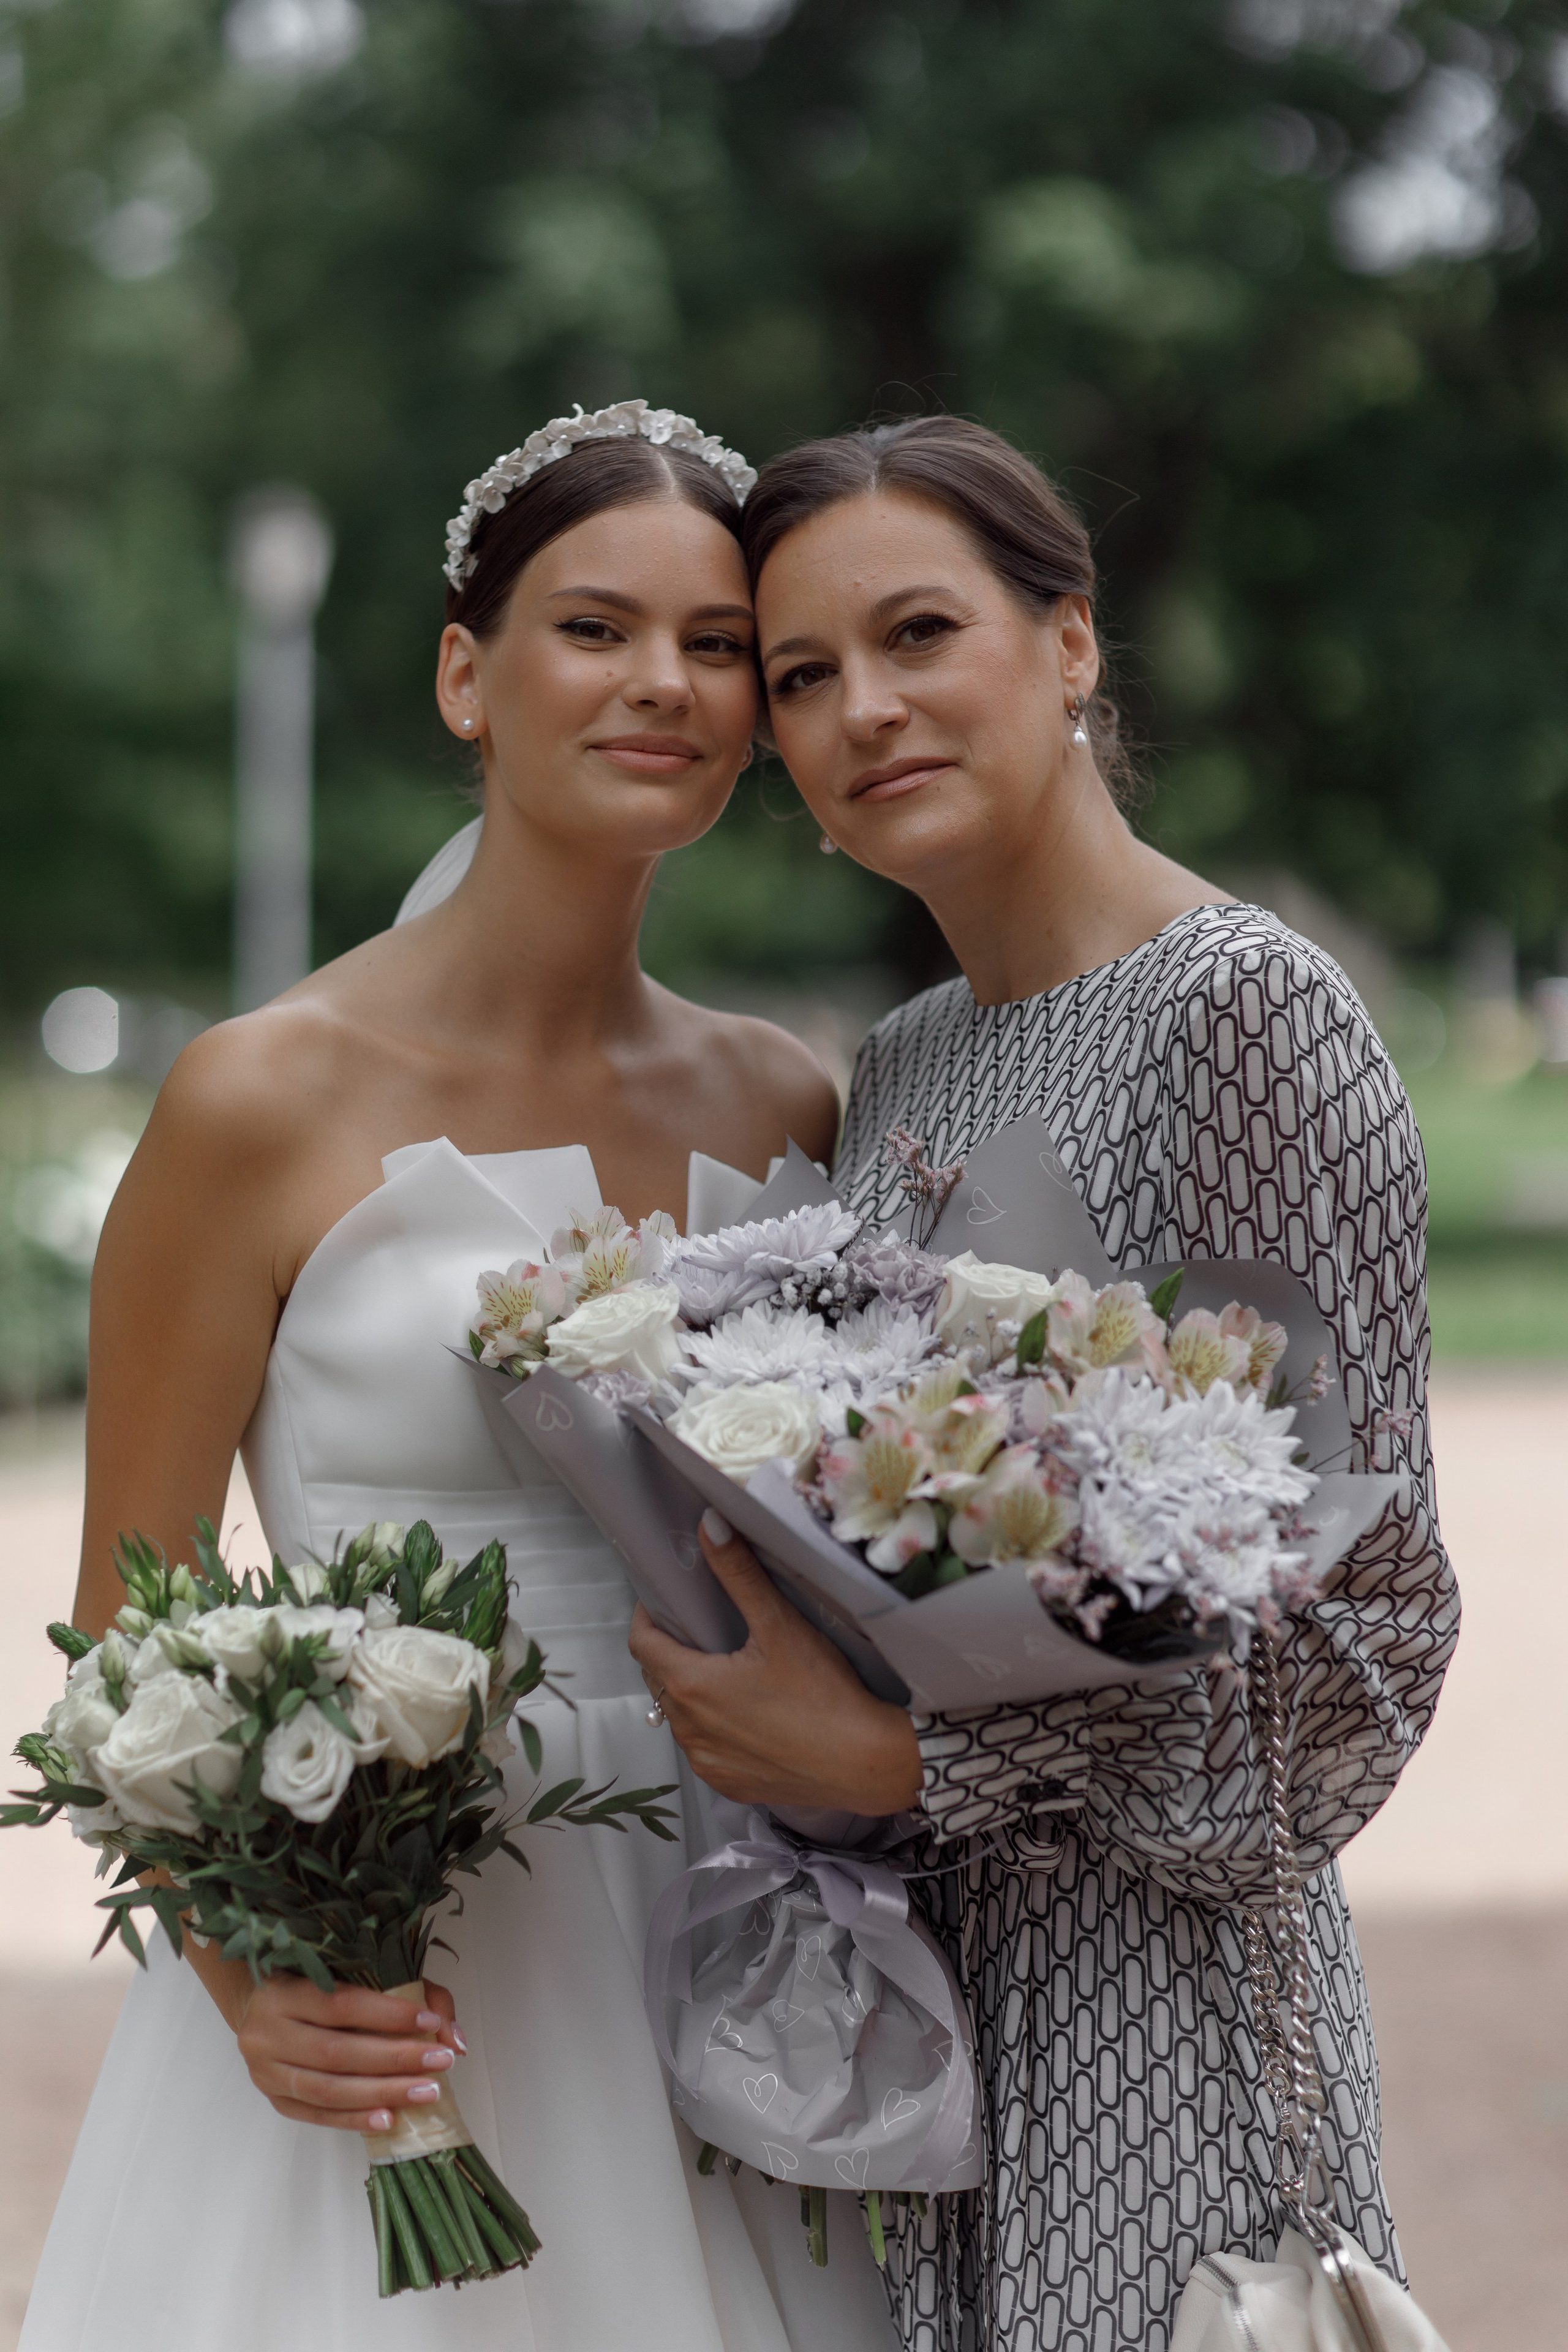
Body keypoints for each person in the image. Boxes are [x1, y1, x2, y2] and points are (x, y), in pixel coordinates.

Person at [24, 402, 900, 2352]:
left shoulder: (786, 1097)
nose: (661, 685)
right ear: (463, 676)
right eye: (594, 629)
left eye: (718, 649)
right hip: (405, 1967)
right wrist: (251, 1970)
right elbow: (122, 1621)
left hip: (741, 1933)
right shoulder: (261, 1101)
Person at [628, 415, 1458, 2352]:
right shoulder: (904, 1067)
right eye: (810, 676)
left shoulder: (1243, 1016)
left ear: (1070, 644)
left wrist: (922, 1768)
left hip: (1174, 2015)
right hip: (934, 2007)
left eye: (922, 634)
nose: (866, 712)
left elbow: (1360, 1663)